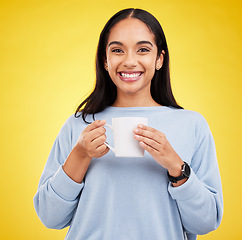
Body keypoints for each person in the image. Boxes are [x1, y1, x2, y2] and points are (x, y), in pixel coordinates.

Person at [34, 8, 223, 240]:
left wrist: (176, 166)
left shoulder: (192, 125)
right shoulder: (78, 125)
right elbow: (49, 217)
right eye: (117, 50)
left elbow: (206, 222)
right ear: (105, 60)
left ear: (159, 59)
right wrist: (80, 155)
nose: (130, 61)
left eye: (143, 50)